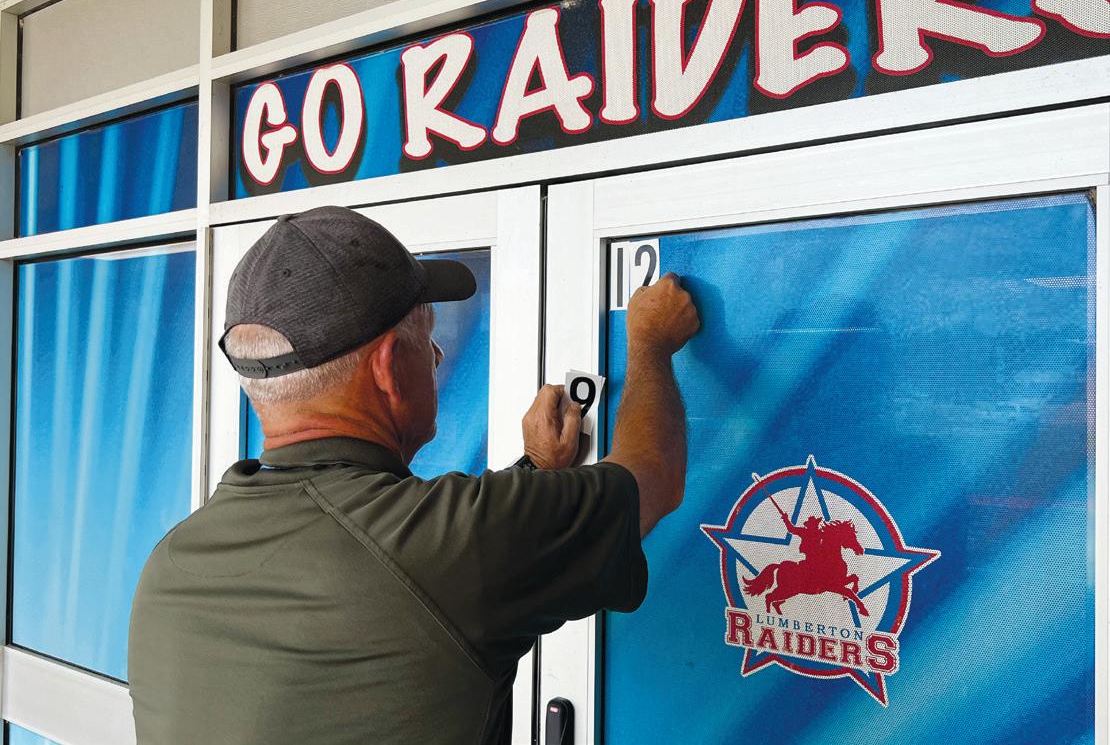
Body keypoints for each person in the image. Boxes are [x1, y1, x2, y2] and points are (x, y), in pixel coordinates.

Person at [127, 205, 699, 744]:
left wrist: (537, 470)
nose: (438, 356)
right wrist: (649, 343)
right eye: (427, 341)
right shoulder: (446, 548)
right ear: (387, 369)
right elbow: (652, 475)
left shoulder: (170, 566)